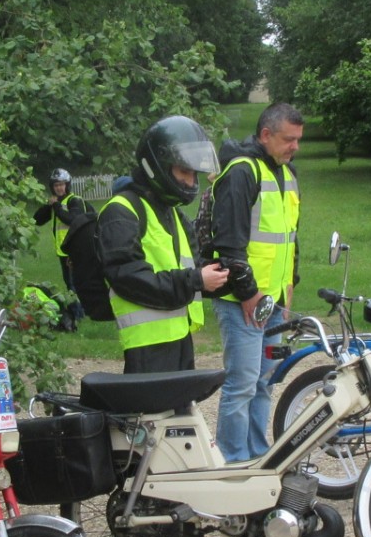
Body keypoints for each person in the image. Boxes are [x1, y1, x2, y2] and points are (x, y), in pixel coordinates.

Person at [208, 103, 303, 462]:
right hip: (242, 300)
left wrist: (289, 285)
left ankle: (257, 456)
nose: (294, 147)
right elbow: (229, 241)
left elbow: (290, 238)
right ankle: (233, 461)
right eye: (288, 140)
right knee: (243, 383)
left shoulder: (287, 173)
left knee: (264, 382)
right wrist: (248, 294)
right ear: (266, 135)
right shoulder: (241, 171)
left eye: (297, 140)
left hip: (273, 299)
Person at [99, 116, 228, 373]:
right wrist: (195, 281)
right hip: (147, 346)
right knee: (152, 414)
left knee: (182, 412)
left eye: (193, 173)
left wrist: (227, 275)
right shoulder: (121, 212)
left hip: (179, 336)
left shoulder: (173, 214)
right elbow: (128, 277)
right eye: (183, 172)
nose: (191, 182)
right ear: (156, 166)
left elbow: (191, 268)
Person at [33, 168, 91, 331]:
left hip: (75, 250)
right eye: (56, 185)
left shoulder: (74, 201)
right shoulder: (56, 204)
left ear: (68, 185)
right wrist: (48, 206)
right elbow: (37, 220)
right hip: (63, 251)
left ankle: (79, 315)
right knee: (70, 284)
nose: (59, 188)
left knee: (75, 285)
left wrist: (57, 206)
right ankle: (80, 312)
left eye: (62, 185)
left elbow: (72, 219)